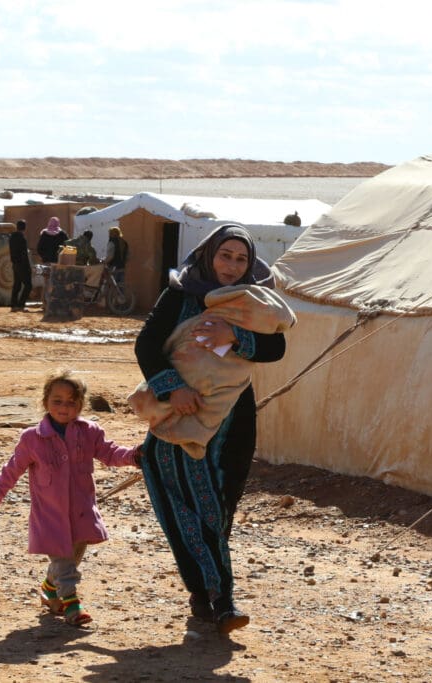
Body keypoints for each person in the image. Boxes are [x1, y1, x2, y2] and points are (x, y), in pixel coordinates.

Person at [134, 224, 286, 636]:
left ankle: (207, 594)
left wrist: (233, 335)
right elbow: (146, 345)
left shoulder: (255, 298)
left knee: (220, 508)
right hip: (181, 414)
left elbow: (276, 347)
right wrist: (173, 388)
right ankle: (220, 600)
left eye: (241, 259)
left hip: (234, 419)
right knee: (182, 502)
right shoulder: (181, 294)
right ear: (209, 255)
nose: (233, 266)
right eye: (226, 256)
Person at [0, 369, 141, 626]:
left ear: (81, 404)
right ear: (45, 402)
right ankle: (72, 605)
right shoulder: (32, 438)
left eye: (71, 402)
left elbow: (109, 453)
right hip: (50, 512)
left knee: (75, 551)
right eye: (57, 401)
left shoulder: (89, 431)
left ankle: (49, 588)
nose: (64, 407)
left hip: (81, 508)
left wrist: (134, 456)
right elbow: (14, 467)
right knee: (64, 557)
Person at [9, 220, 32, 311]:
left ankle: (13, 305)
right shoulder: (22, 238)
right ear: (24, 228)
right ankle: (20, 305)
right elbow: (24, 254)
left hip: (15, 264)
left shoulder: (11, 237)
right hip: (22, 265)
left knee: (17, 285)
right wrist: (28, 267)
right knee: (28, 286)